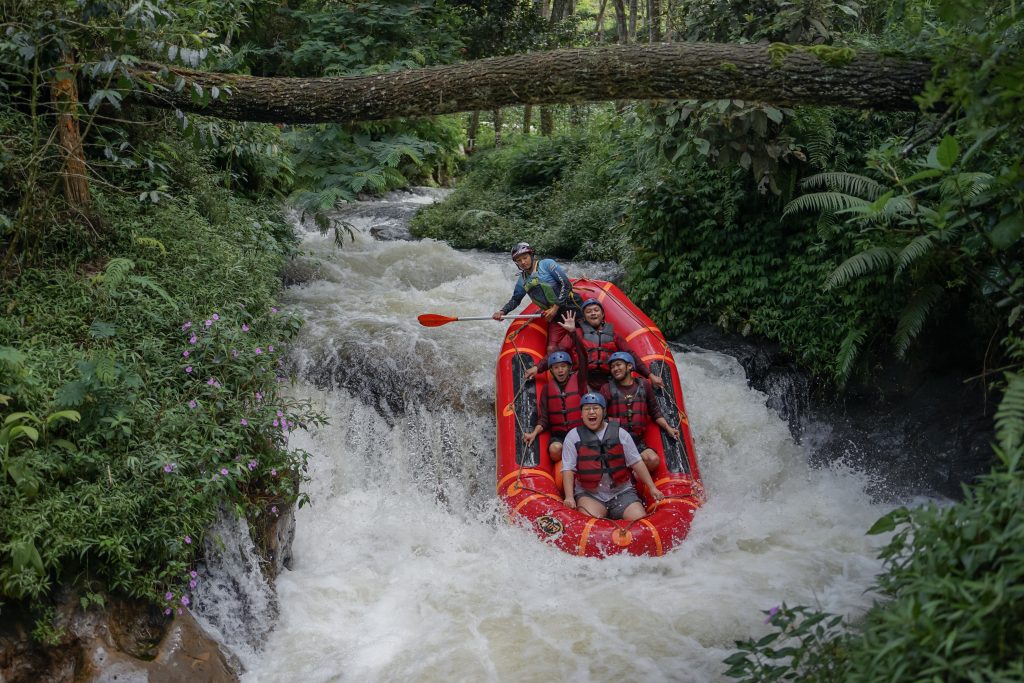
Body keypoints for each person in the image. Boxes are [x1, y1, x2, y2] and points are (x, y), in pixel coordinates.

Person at [561, 393, 665, 521]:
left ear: (603, 412)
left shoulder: (621, 434)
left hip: (621, 492)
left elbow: (636, 462)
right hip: (590, 495)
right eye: (587, 409)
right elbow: (568, 469)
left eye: (596, 408)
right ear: (581, 414)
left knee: (640, 522)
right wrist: (569, 497)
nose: (591, 412)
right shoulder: (573, 437)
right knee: (589, 525)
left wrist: (652, 488)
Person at [492, 242, 582, 355]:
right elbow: (516, 299)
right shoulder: (522, 280)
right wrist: (502, 311)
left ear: (531, 255)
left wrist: (555, 308)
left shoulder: (547, 264)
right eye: (519, 260)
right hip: (556, 317)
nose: (523, 262)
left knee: (581, 341)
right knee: (551, 350)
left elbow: (566, 284)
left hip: (572, 308)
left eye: (525, 258)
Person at [600, 351, 680, 472]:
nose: (615, 369)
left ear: (629, 366)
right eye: (612, 367)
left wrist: (668, 428)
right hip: (615, 441)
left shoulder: (644, 385)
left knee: (653, 460)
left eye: (618, 365)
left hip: (637, 442)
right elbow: (600, 418)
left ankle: (635, 475)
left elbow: (654, 411)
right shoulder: (606, 388)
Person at [563, 299, 666, 391]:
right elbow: (560, 351)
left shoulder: (614, 335)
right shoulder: (575, 333)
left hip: (609, 381)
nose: (593, 313)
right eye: (588, 312)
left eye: (596, 310)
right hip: (584, 380)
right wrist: (571, 333)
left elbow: (631, 354)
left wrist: (650, 376)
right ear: (584, 317)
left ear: (603, 314)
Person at [523, 351, 589, 476]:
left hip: (580, 432)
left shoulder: (580, 381)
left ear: (569, 368)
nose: (560, 370)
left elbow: (584, 357)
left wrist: (574, 333)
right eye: (556, 367)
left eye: (563, 366)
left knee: (585, 448)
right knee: (554, 449)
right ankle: (569, 461)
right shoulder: (547, 389)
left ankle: (574, 462)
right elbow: (544, 419)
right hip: (560, 436)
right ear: (551, 371)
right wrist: (533, 433)